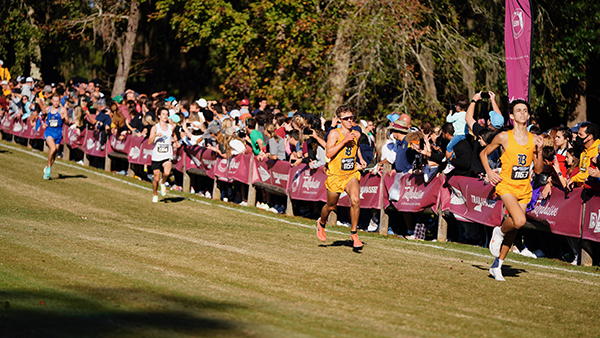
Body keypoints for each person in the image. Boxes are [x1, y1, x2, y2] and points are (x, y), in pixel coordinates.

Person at [480, 99, 544, 281]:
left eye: (525, 111)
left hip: (524, 187)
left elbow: (538, 170)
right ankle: (498, 231)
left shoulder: (534, 139)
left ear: (528, 115)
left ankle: (497, 265)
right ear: (512, 116)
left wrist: (539, 151)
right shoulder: (503, 137)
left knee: (515, 228)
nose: (522, 113)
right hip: (506, 185)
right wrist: (489, 172)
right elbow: (483, 153)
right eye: (519, 111)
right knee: (520, 220)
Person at [316, 105, 366, 249]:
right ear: (339, 120)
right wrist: (344, 141)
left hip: (350, 174)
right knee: (331, 205)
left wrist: (360, 159)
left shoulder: (356, 133)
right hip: (335, 175)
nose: (350, 120)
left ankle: (354, 234)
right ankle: (322, 222)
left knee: (356, 200)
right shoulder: (334, 134)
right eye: (346, 118)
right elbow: (329, 153)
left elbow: (356, 147)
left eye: (351, 117)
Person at [148, 108, 175, 203]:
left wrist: (175, 142)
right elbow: (149, 142)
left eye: (167, 114)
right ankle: (155, 193)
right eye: (163, 114)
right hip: (157, 156)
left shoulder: (171, 127)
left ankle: (162, 182)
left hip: (167, 154)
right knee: (156, 178)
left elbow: (174, 136)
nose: (165, 116)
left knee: (167, 173)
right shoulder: (155, 128)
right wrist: (155, 136)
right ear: (159, 116)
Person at [42, 93, 69, 179]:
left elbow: (67, 122)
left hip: (58, 133)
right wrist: (43, 123)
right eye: (54, 101)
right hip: (49, 132)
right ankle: (49, 168)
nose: (56, 103)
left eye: (58, 101)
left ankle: (47, 168)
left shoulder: (63, 110)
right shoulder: (47, 109)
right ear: (51, 101)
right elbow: (40, 115)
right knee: (52, 148)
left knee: (54, 154)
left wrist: (64, 118)